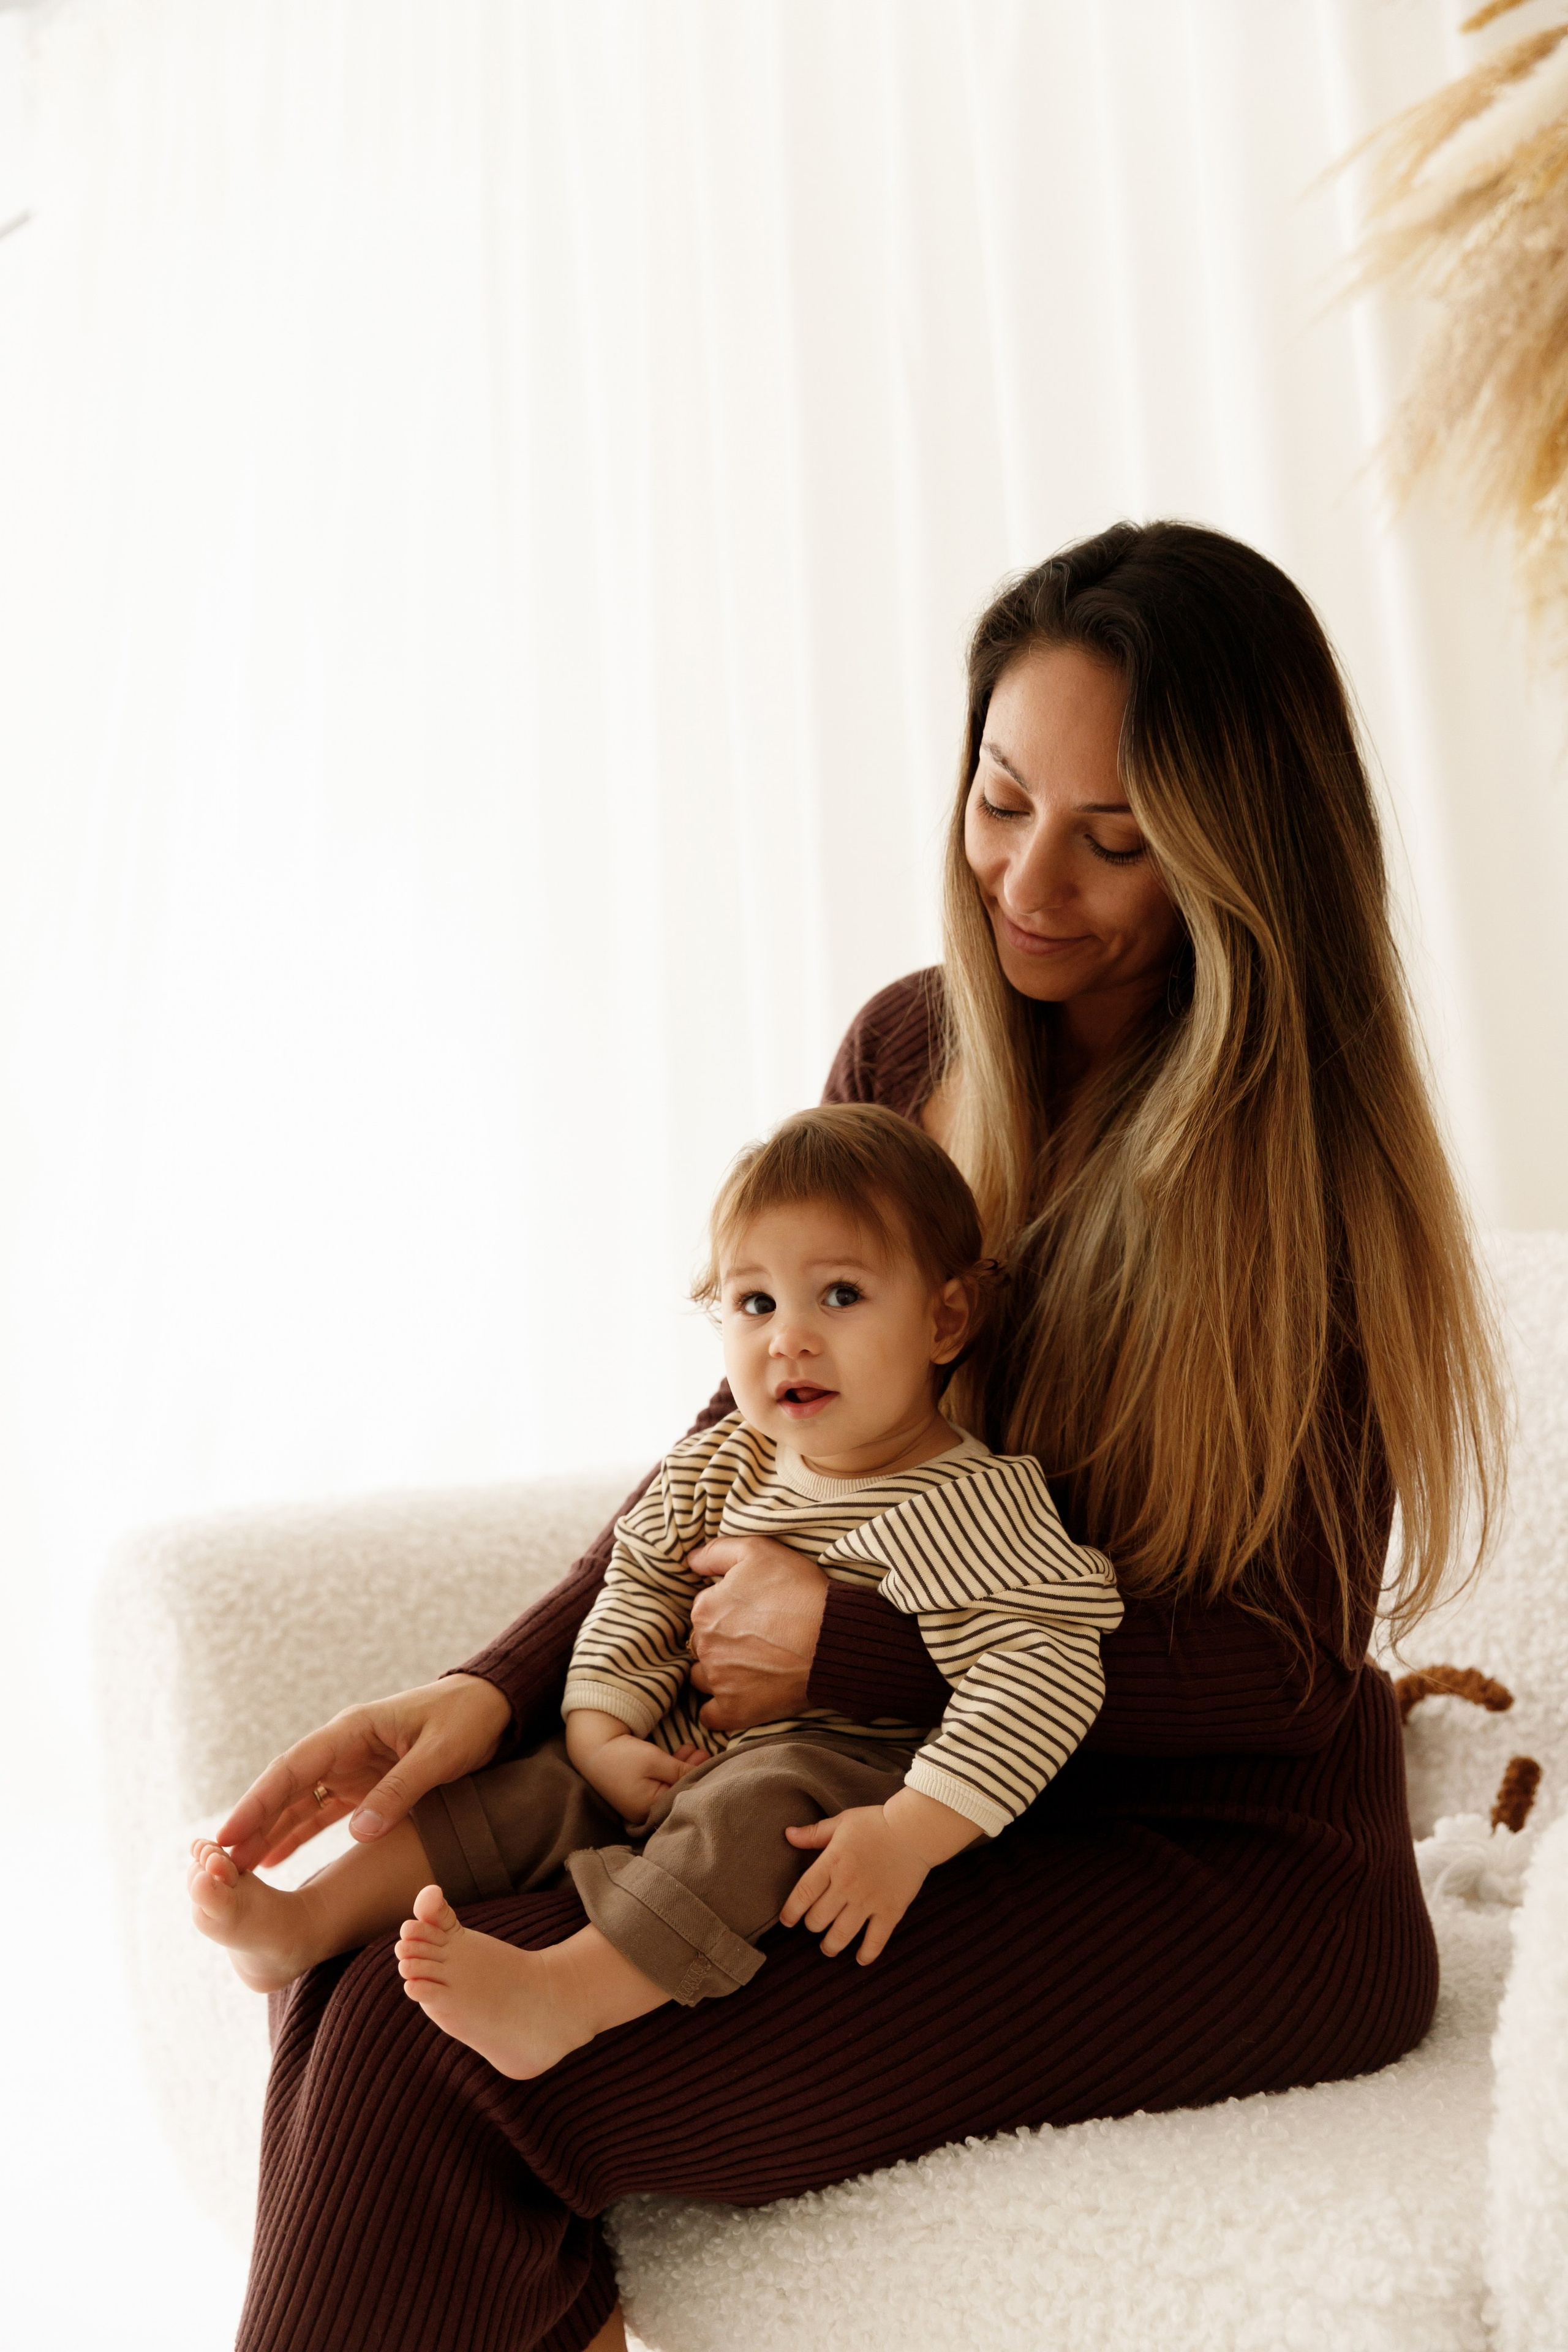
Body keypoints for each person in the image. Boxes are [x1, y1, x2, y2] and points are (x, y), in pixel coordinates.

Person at [217, 521, 1504, 2352]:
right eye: (1000, 800)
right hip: (895, 1787)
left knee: (441, 2061)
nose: (1031, 879)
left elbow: (1291, 1673)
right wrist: (498, 1695)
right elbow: (735, 1449)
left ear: (1243, 859)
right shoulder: (912, 1052)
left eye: (1117, 838)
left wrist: (859, 1641)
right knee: (360, 1971)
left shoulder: (1296, 1189)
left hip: (1216, 1874)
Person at [188, 1104, 1122, 2075]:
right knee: (528, 1781)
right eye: (755, 1304)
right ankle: (307, 1919)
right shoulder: (722, 1466)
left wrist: (910, 1833)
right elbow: (632, 1588)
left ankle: (569, 1995)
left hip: (840, 1774)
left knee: (755, 1814)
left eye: (840, 1295)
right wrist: (600, 1731)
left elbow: (1046, 1674)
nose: (788, 1341)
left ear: (944, 1318)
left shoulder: (975, 1502)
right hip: (680, 1747)